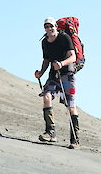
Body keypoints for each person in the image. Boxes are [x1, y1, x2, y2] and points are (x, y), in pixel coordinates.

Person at [34, 17, 80, 149]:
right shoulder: (45, 42)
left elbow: (73, 56)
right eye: (46, 27)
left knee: (70, 106)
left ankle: (75, 140)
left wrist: (61, 63)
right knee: (46, 96)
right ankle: (51, 133)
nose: (49, 29)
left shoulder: (64, 38)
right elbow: (46, 59)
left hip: (68, 75)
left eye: (51, 26)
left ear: (56, 26)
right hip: (53, 74)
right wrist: (41, 72)